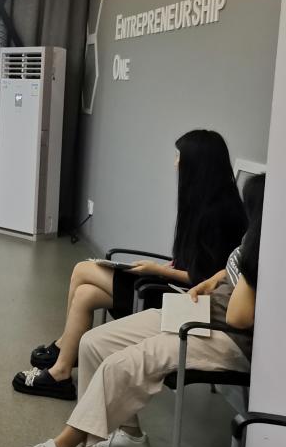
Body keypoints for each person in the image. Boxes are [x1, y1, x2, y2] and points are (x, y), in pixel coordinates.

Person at [11, 174, 265, 447]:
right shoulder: (253, 238)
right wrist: (214, 280)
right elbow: (229, 267)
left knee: (122, 365)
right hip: (201, 311)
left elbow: (239, 318)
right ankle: (129, 436)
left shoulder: (267, 251)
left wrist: (247, 268)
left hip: (228, 337)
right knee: (94, 342)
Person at [13, 129, 247, 400]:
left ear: (198, 165)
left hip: (185, 302)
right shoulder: (207, 203)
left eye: (180, 157)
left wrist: (156, 270)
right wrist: (165, 268)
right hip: (171, 287)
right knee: (85, 294)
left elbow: (206, 280)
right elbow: (197, 263)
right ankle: (62, 369)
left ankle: (63, 349)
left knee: (82, 270)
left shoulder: (220, 213)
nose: (175, 163)